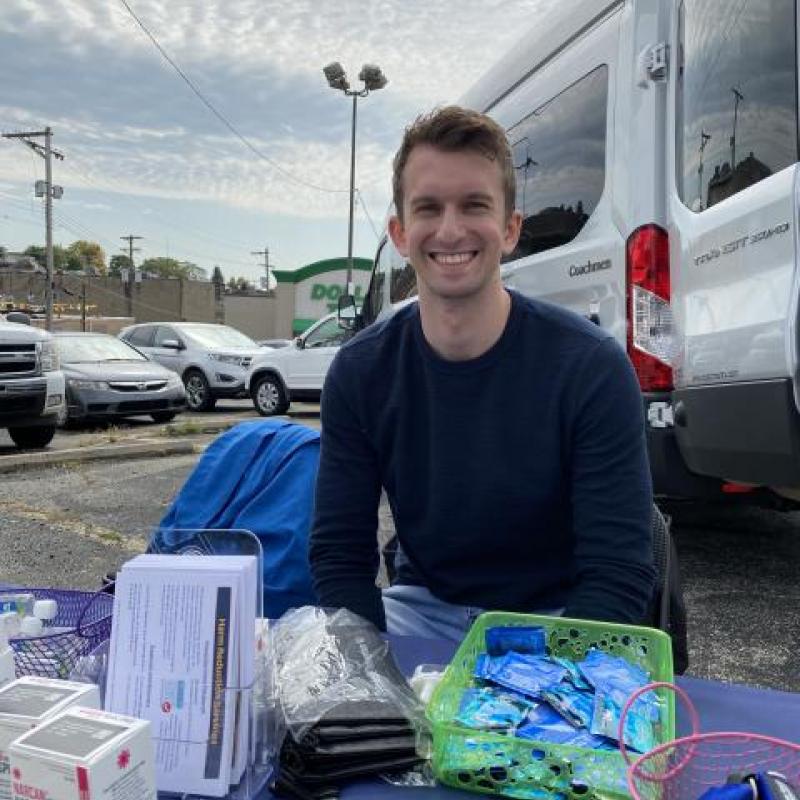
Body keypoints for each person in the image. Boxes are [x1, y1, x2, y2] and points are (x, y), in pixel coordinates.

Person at [309, 106, 655, 641]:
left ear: (510, 228)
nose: (450, 230)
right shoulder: (360, 372)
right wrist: (370, 690)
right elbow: (339, 558)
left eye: (474, 205)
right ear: (400, 233)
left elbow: (618, 574)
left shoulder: (591, 368)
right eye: (428, 208)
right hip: (421, 609)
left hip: (558, 618)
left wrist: (540, 692)